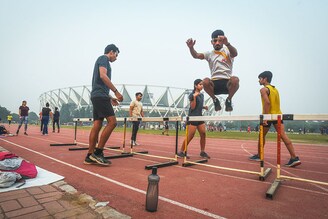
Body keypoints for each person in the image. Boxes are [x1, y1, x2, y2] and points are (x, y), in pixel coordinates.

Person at [249, 71, 301, 167]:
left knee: (261, 135)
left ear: (265, 79)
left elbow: (267, 103)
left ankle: (260, 155)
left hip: (269, 116)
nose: (258, 80)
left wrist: (265, 117)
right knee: (283, 135)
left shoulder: (263, 89)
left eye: (260, 78)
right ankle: (294, 157)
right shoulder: (275, 89)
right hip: (278, 116)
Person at [84, 44, 123, 166]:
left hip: (98, 95)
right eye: (116, 55)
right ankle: (98, 152)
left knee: (97, 124)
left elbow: (99, 84)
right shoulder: (103, 59)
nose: (116, 58)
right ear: (111, 52)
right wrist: (116, 91)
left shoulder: (102, 60)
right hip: (100, 96)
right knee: (112, 122)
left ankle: (90, 156)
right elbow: (103, 75)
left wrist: (110, 97)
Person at [186, 29, 239, 112]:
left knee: (235, 79)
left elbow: (235, 53)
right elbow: (196, 55)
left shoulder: (228, 51)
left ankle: (228, 100)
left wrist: (227, 43)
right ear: (212, 42)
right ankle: (215, 100)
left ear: (223, 41)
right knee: (205, 81)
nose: (217, 43)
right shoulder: (209, 54)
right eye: (215, 41)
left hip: (227, 83)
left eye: (220, 41)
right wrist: (191, 48)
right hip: (214, 85)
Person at [177, 79, 210, 159]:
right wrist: (194, 97)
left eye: (202, 84)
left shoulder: (202, 95)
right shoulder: (191, 95)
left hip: (200, 116)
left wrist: (203, 107)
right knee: (190, 136)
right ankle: (181, 151)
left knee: (203, 133)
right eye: (200, 84)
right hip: (192, 117)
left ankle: (202, 151)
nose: (201, 86)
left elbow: (199, 105)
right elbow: (193, 107)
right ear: (195, 85)